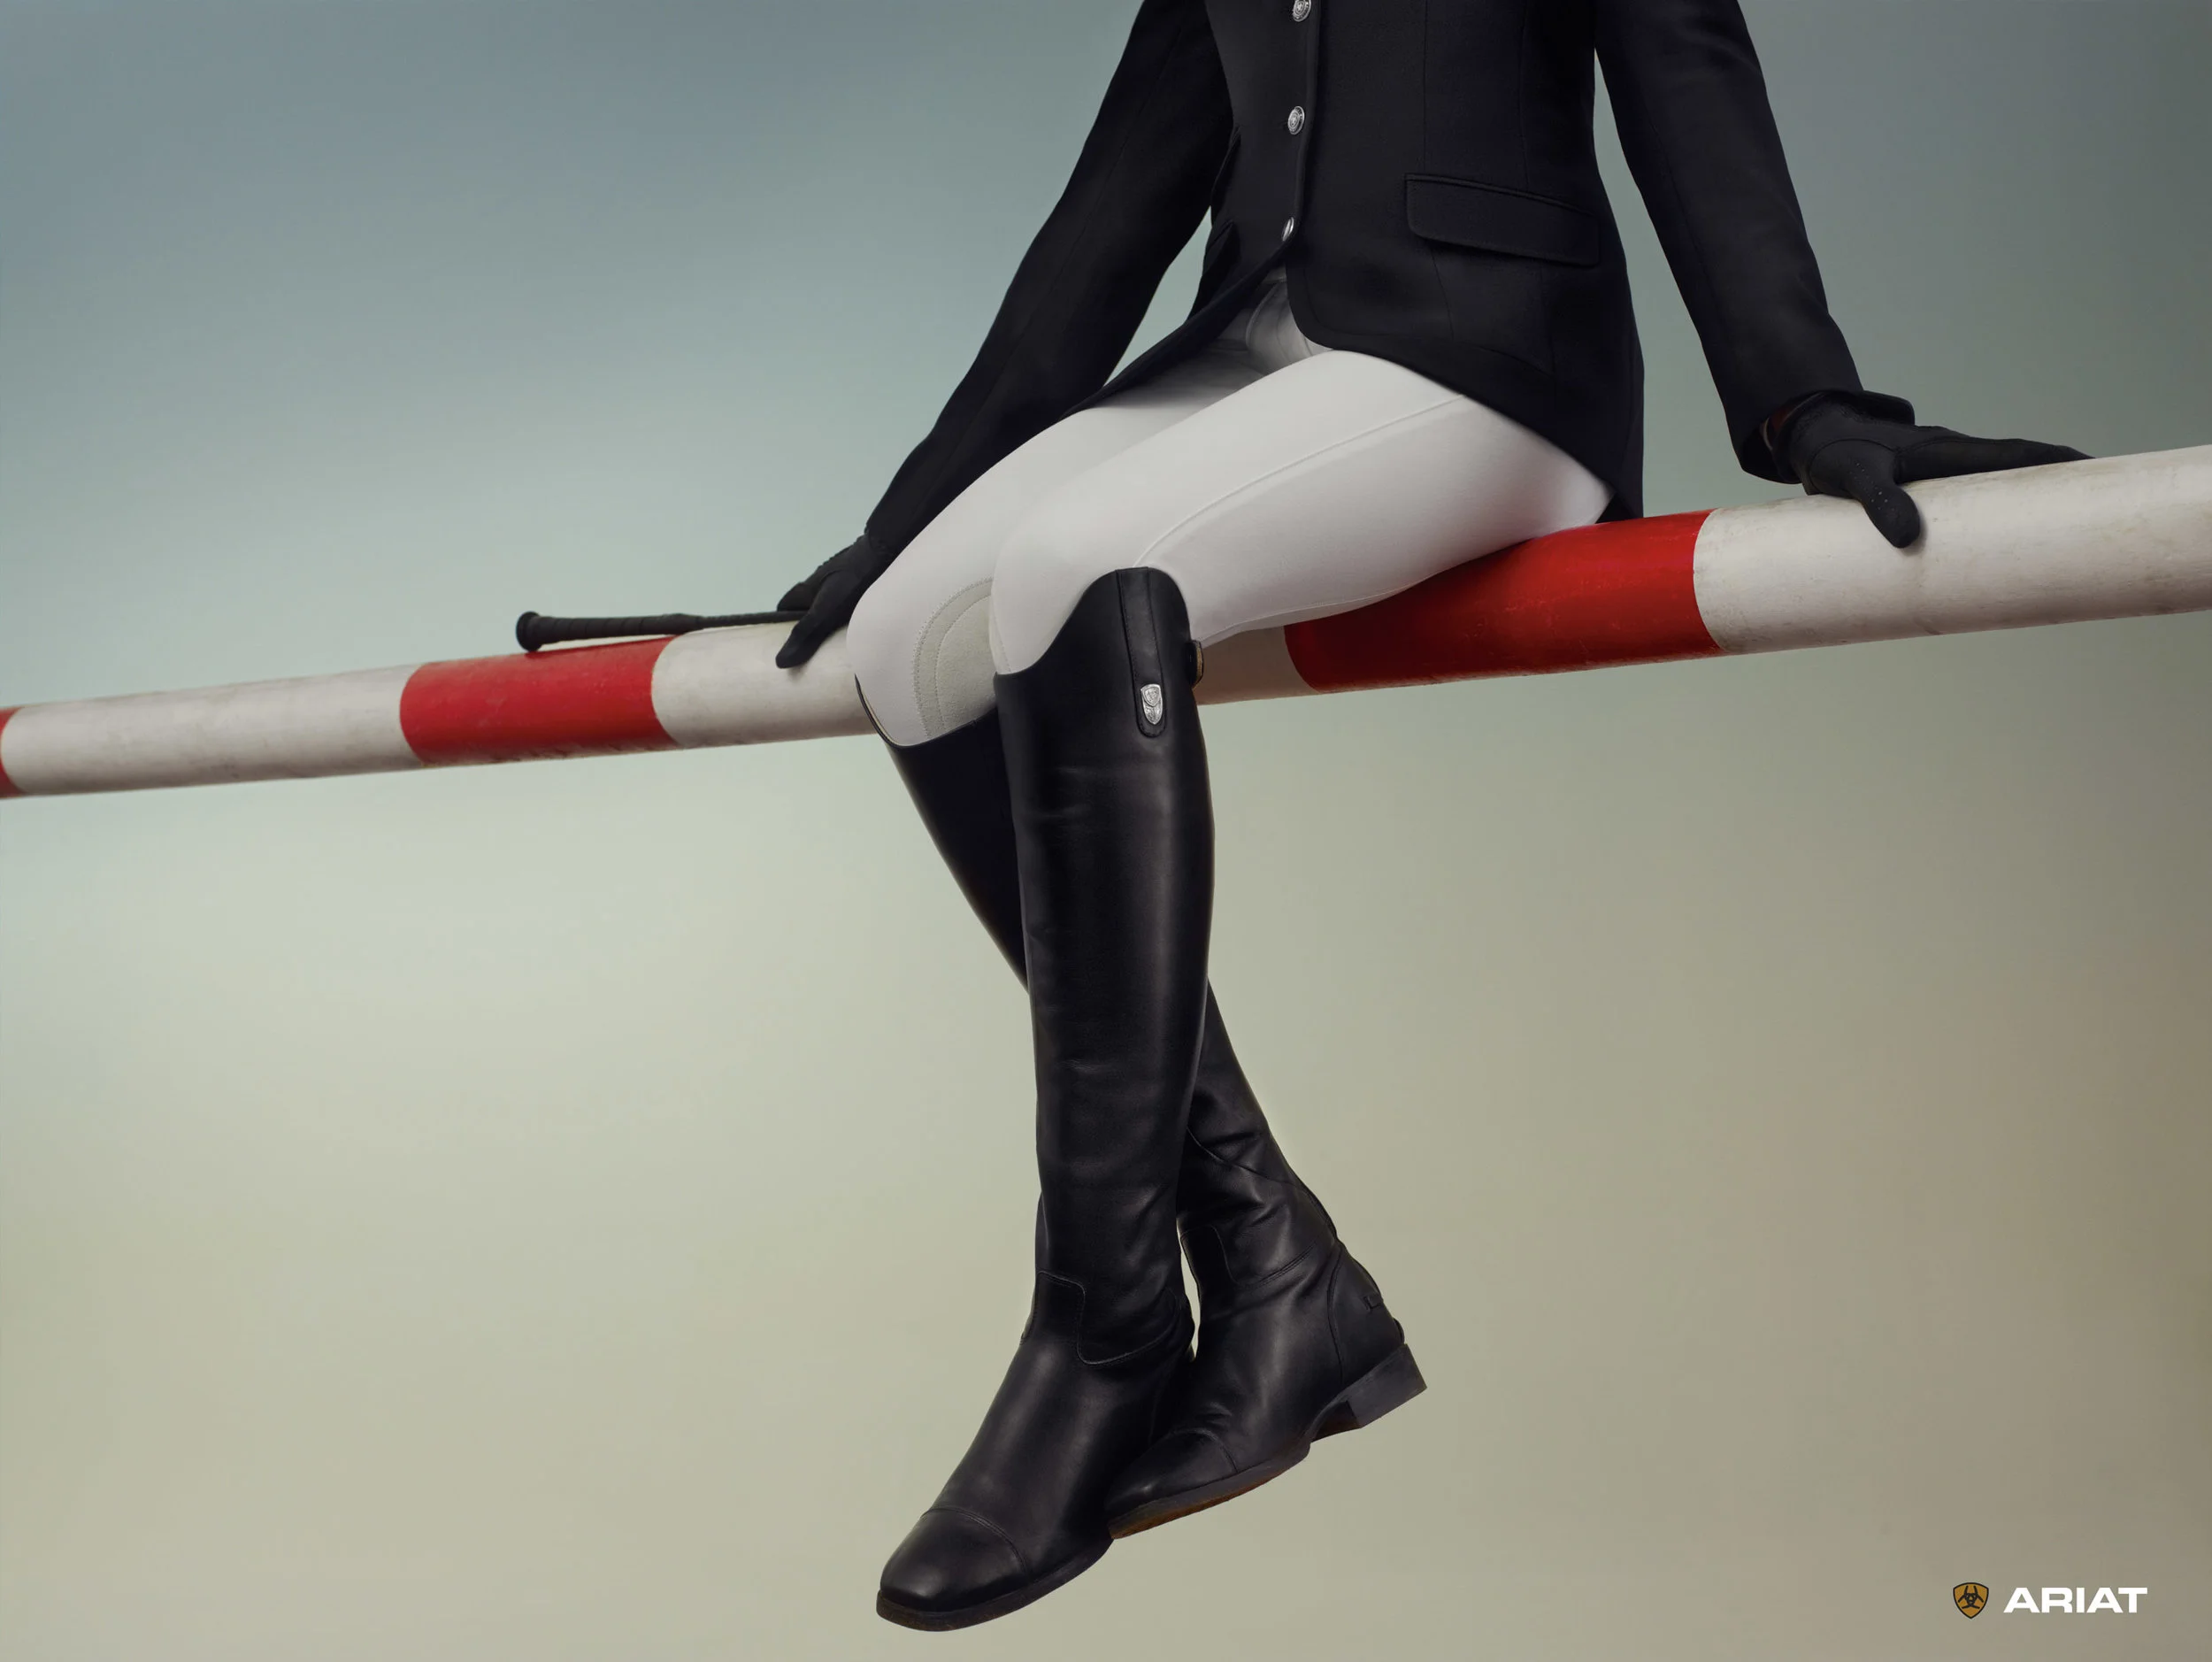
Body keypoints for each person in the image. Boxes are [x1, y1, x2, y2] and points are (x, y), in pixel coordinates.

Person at [769, 0, 2082, 1632]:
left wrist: (1803, 402)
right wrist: (907, 519)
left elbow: (1683, 63)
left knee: (1079, 569)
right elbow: (1116, 202)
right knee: (914, 643)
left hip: (1488, 356)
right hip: (1252, 353)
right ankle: (1268, 1254)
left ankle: (1106, 1328)